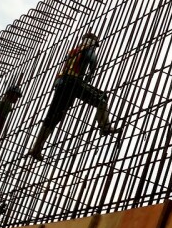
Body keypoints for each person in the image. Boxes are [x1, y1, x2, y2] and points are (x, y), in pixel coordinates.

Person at [28, 32, 119, 161]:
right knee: (102, 98)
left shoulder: (73, 51)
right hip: (74, 83)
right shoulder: (87, 49)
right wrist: (91, 73)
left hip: (62, 83)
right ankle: (105, 126)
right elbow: (92, 61)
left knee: (54, 116)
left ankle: (36, 148)